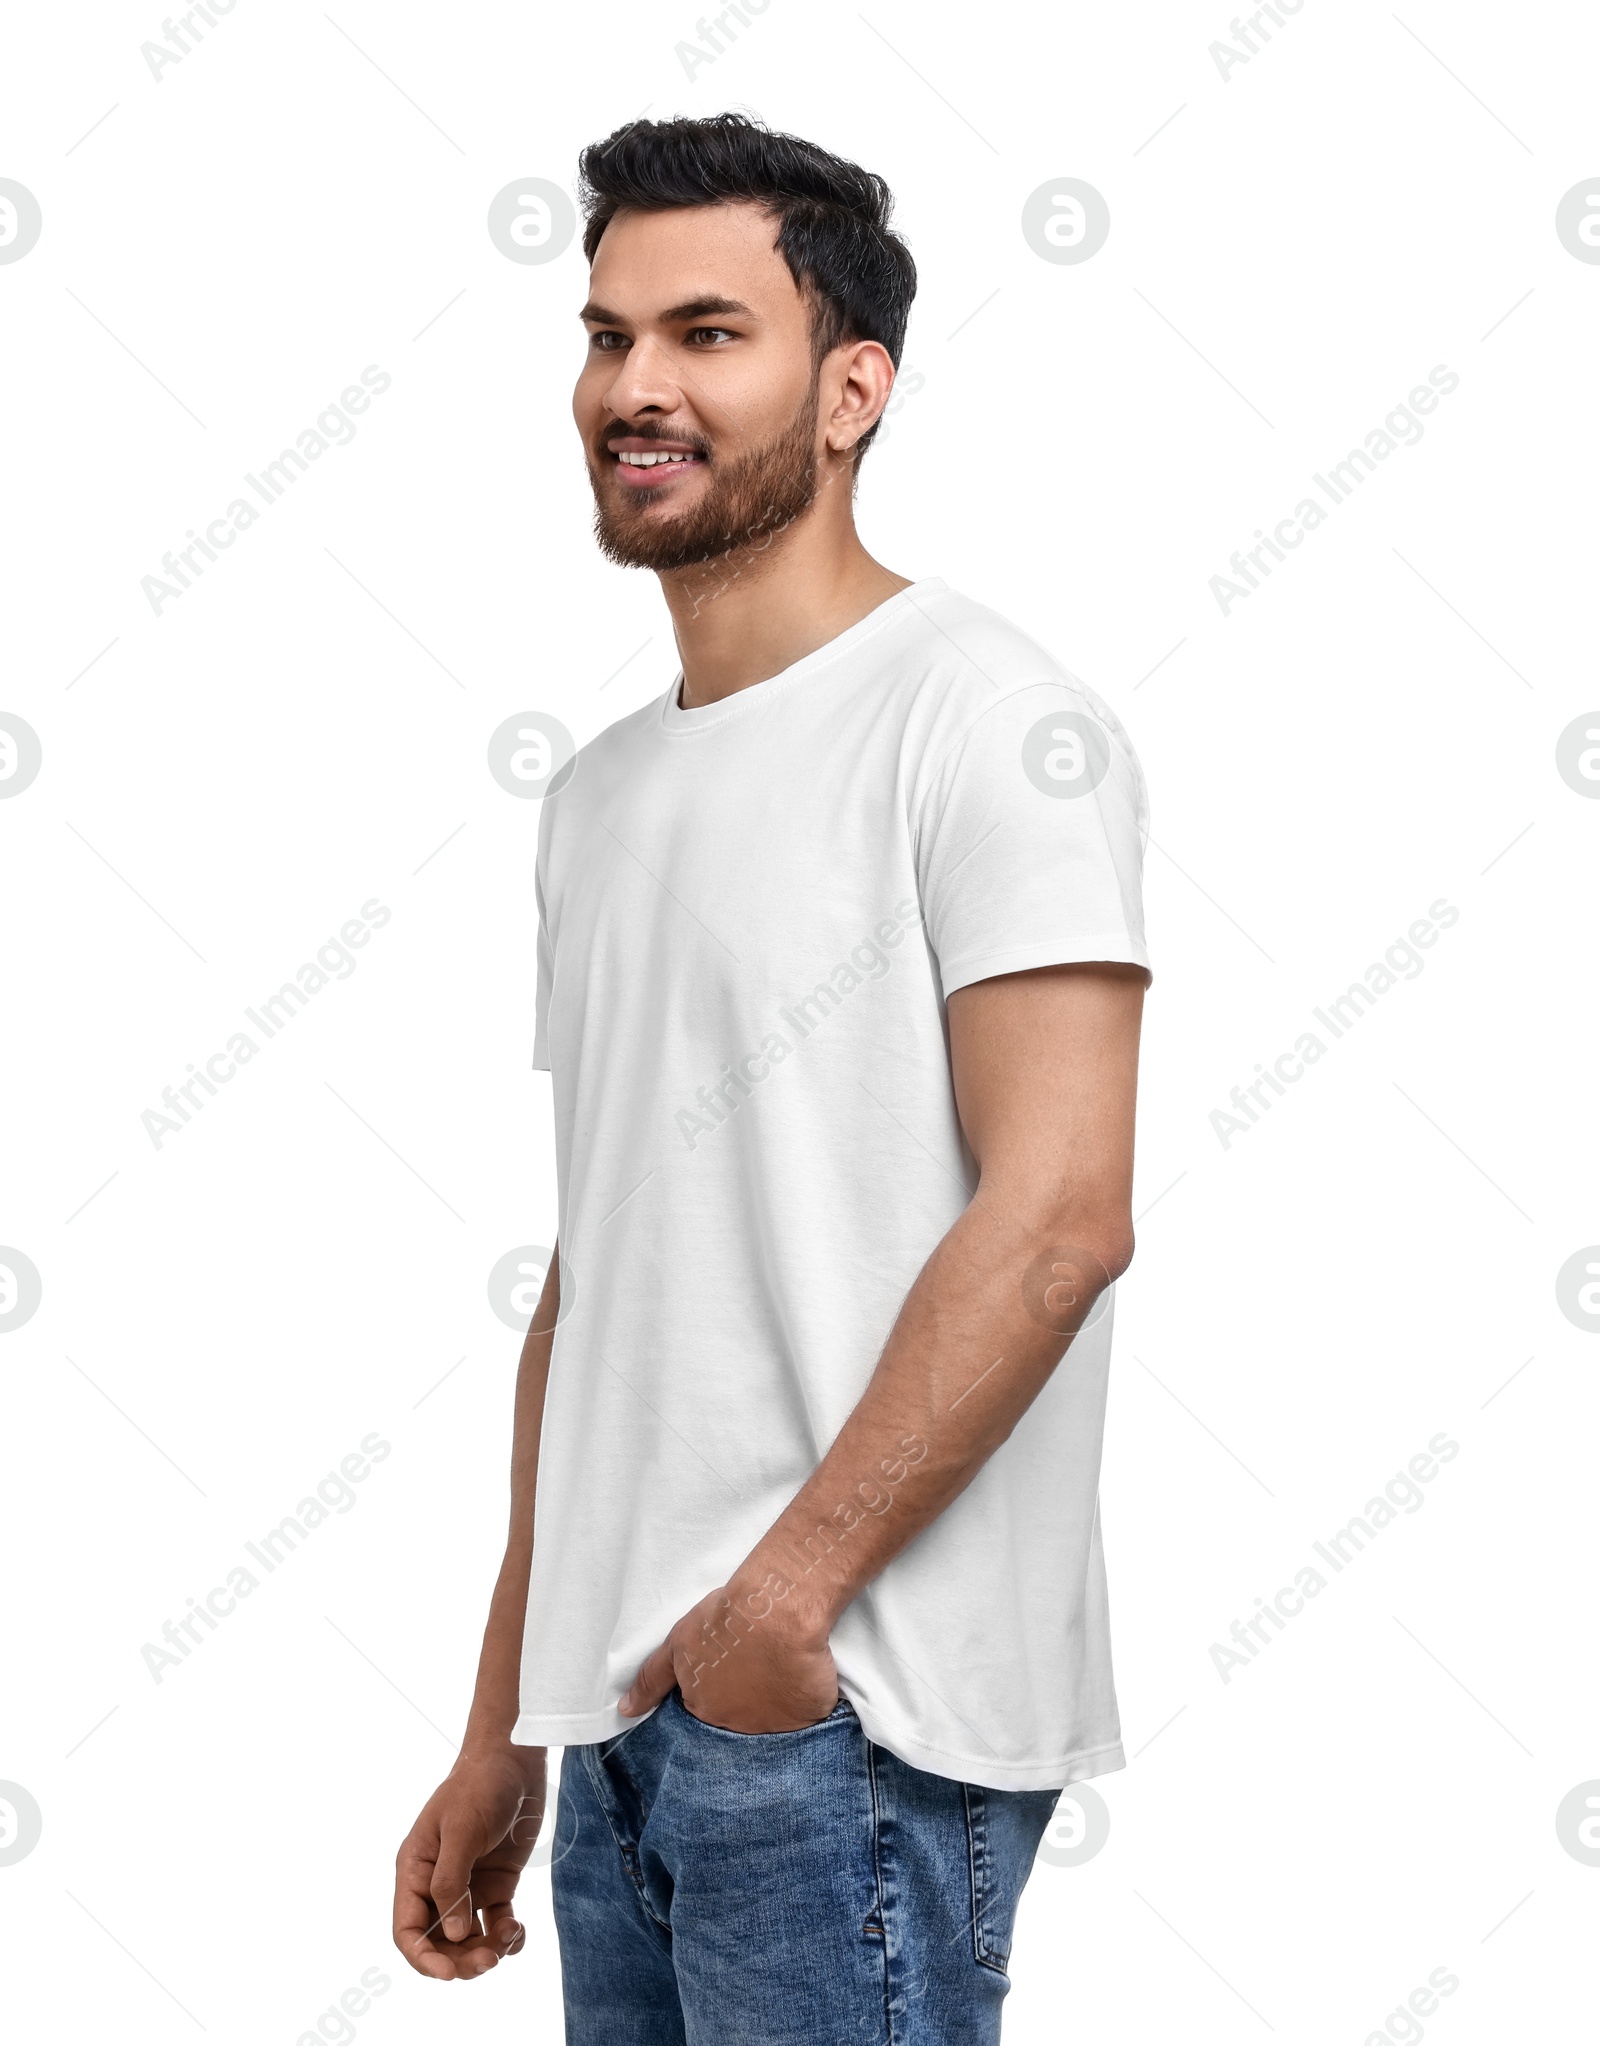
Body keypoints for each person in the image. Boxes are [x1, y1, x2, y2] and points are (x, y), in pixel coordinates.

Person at [394, 111, 1151, 2045]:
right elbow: (606, 1281)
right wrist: (515, 1715)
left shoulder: (988, 720)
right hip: (634, 1719)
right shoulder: (599, 796)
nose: (634, 386)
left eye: (707, 334)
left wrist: (779, 1617)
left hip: (844, 1719)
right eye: (607, 334)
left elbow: (1061, 1214)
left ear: (850, 389)